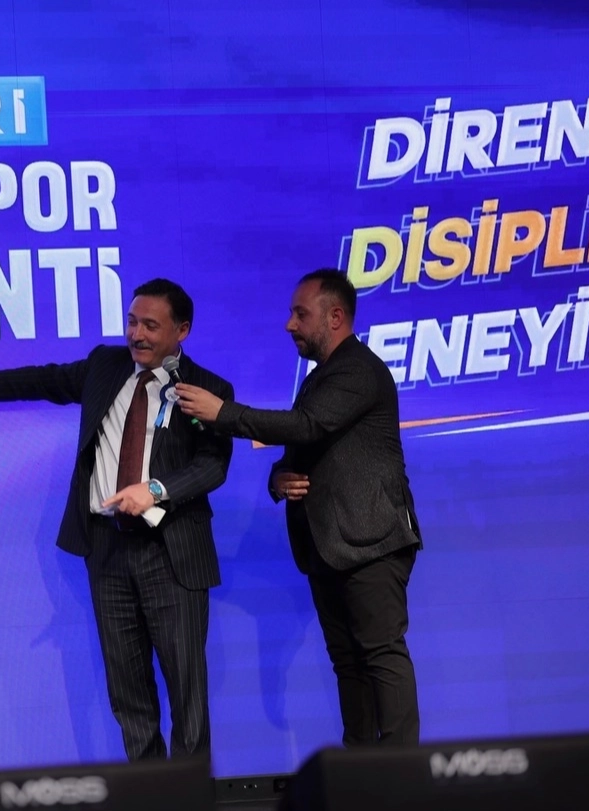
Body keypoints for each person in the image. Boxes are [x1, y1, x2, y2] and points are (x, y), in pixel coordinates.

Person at [0, 278, 234, 760]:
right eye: (132, 322)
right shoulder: (105, 366)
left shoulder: (209, 390)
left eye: (150, 325)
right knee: (128, 693)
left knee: (187, 692)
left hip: (172, 553)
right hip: (107, 550)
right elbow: (39, 379)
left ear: (181, 330)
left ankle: (189, 797)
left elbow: (212, 466)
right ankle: (152, 794)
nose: (136, 334)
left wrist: (155, 490)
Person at [175, 268, 422, 746]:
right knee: (348, 661)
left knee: (380, 654)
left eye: (300, 314)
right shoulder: (321, 378)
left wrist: (223, 414)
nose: (289, 324)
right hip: (330, 546)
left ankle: (401, 769)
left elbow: (307, 426)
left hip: (371, 542)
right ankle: (361, 767)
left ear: (335, 317)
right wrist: (278, 479)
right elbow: (306, 444)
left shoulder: (357, 369)